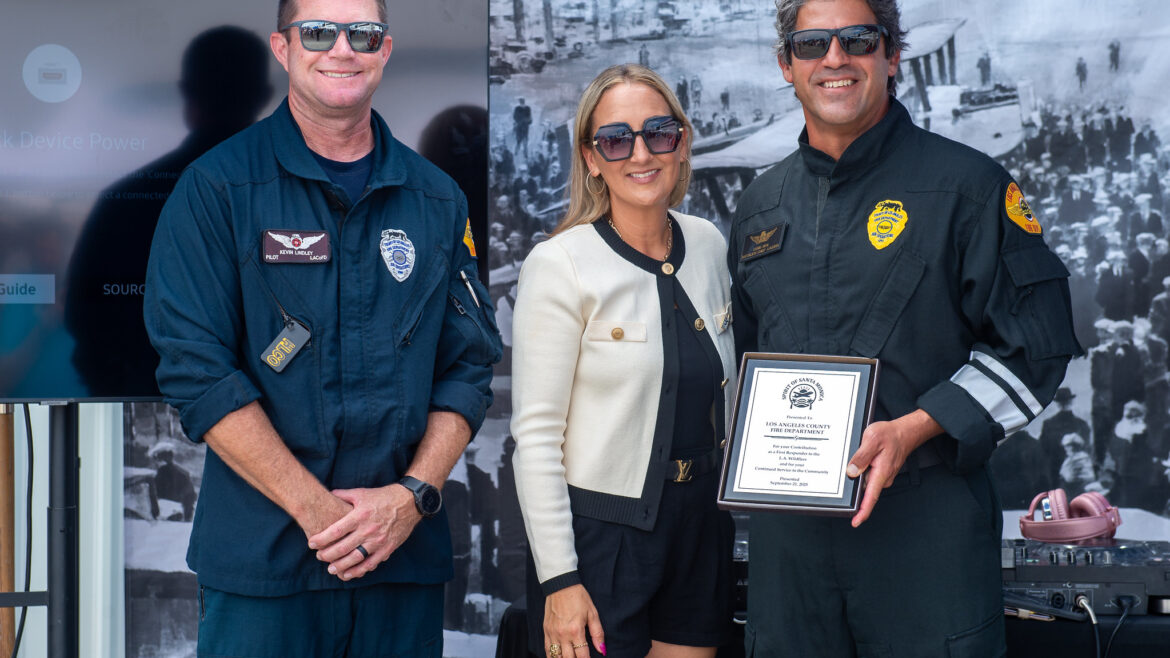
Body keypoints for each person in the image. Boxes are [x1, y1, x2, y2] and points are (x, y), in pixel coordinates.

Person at [143, 1, 502, 655]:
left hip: (399, 561)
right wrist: (319, 513)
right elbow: (196, 370)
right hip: (265, 568)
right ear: (282, 49)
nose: (342, 48)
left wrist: (410, 498)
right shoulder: (218, 188)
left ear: (384, 50)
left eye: (362, 33)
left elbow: (468, 367)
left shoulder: (437, 199)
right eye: (317, 32)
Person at [728, 1, 1080, 656]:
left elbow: (1033, 349)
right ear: (786, 65)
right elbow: (748, 361)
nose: (835, 58)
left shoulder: (970, 187)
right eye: (812, 44)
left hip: (926, 531)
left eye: (858, 39)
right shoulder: (758, 207)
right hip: (790, 545)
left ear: (892, 55)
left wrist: (915, 427)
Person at [512, 63, 737, 658]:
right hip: (600, 542)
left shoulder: (709, 245)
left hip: (700, 526)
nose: (641, 153)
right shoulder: (559, 265)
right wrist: (559, 579)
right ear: (592, 158)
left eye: (658, 133)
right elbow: (536, 439)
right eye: (616, 139)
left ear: (681, 142)